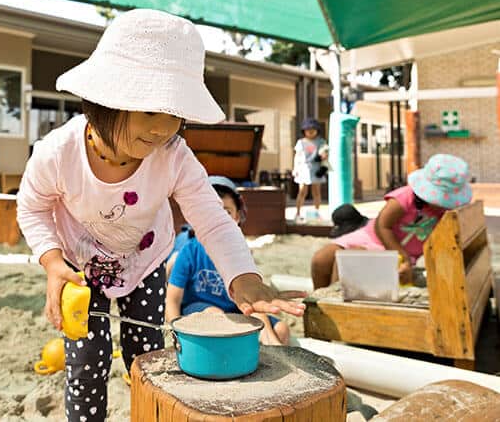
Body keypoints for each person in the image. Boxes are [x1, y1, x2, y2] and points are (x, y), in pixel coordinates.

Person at [16, 9, 305, 422]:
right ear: (105, 100)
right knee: (86, 363)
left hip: (145, 262)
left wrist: (243, 276)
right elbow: (31, 206)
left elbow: (212, 217)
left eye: (174, 115)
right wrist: (50, 261)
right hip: (79, 271)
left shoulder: (173, 156)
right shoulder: (57, 153)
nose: (163, 129)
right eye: (150, 111)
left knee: (147, 358)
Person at [311, 154, 472, 289]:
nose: (442, 204)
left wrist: (406, 261)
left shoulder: (445, 212)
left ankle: (334, 307)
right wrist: (400, 256)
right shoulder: (404, 198)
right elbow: (382, 226)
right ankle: (318, 306)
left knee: (347, 262)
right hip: (376, 238)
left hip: (402, 253)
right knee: (321, 259)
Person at [166, 176, 290, 345]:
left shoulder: (241, 253)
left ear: (237, 217)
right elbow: (172, 299)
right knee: (215, 314)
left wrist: (268, 333)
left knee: (281, 329)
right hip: (198, 309)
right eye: (213, 212)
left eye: (227, 212)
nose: (220, 220)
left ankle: (269, 358)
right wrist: (176, 332)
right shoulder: (190, 250)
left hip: (234, 310)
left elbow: (251, 299)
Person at [293, 117, 328, 221]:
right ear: (304, 131)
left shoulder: (321, 141)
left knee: (316, 192)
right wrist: (295, 169)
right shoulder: (301, 142)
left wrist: (323, 156)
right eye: (308, 130)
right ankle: (298, 213)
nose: (310, 132)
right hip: (303, 168)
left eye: (313, 129)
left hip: (317, 169)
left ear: (317, 130)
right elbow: (297, 156)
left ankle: (317, 212)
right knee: (302, 191)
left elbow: (324, 154)